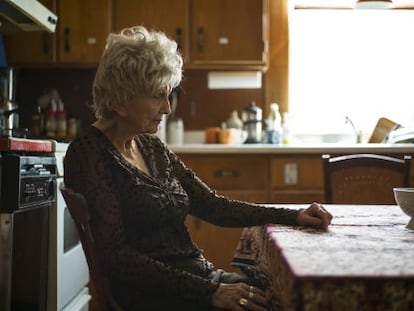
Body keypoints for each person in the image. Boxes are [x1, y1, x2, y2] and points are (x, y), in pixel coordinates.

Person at [64, 25, 333, 311]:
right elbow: (117, 256)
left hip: (199, 280)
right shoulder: (88, 154)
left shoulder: (151, 147)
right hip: (151, 296)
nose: (167, 108)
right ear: (120, 100)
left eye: (169, 95)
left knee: (285, 295)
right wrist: (210, 293)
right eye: (157, 96)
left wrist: (294, 215)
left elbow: (213, 205)